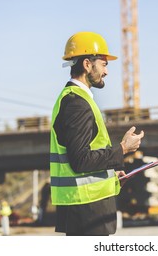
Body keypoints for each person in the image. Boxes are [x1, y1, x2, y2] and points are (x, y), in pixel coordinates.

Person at [50, 31, 144, 236]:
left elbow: (83, 156)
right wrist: (123, 149)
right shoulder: (77, 103)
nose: (106, 71)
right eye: (103, 64)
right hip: (87, 209)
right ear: (87, 64)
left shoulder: (73, 98)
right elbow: (81, 160)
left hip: (85, 207)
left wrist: (111, 173)